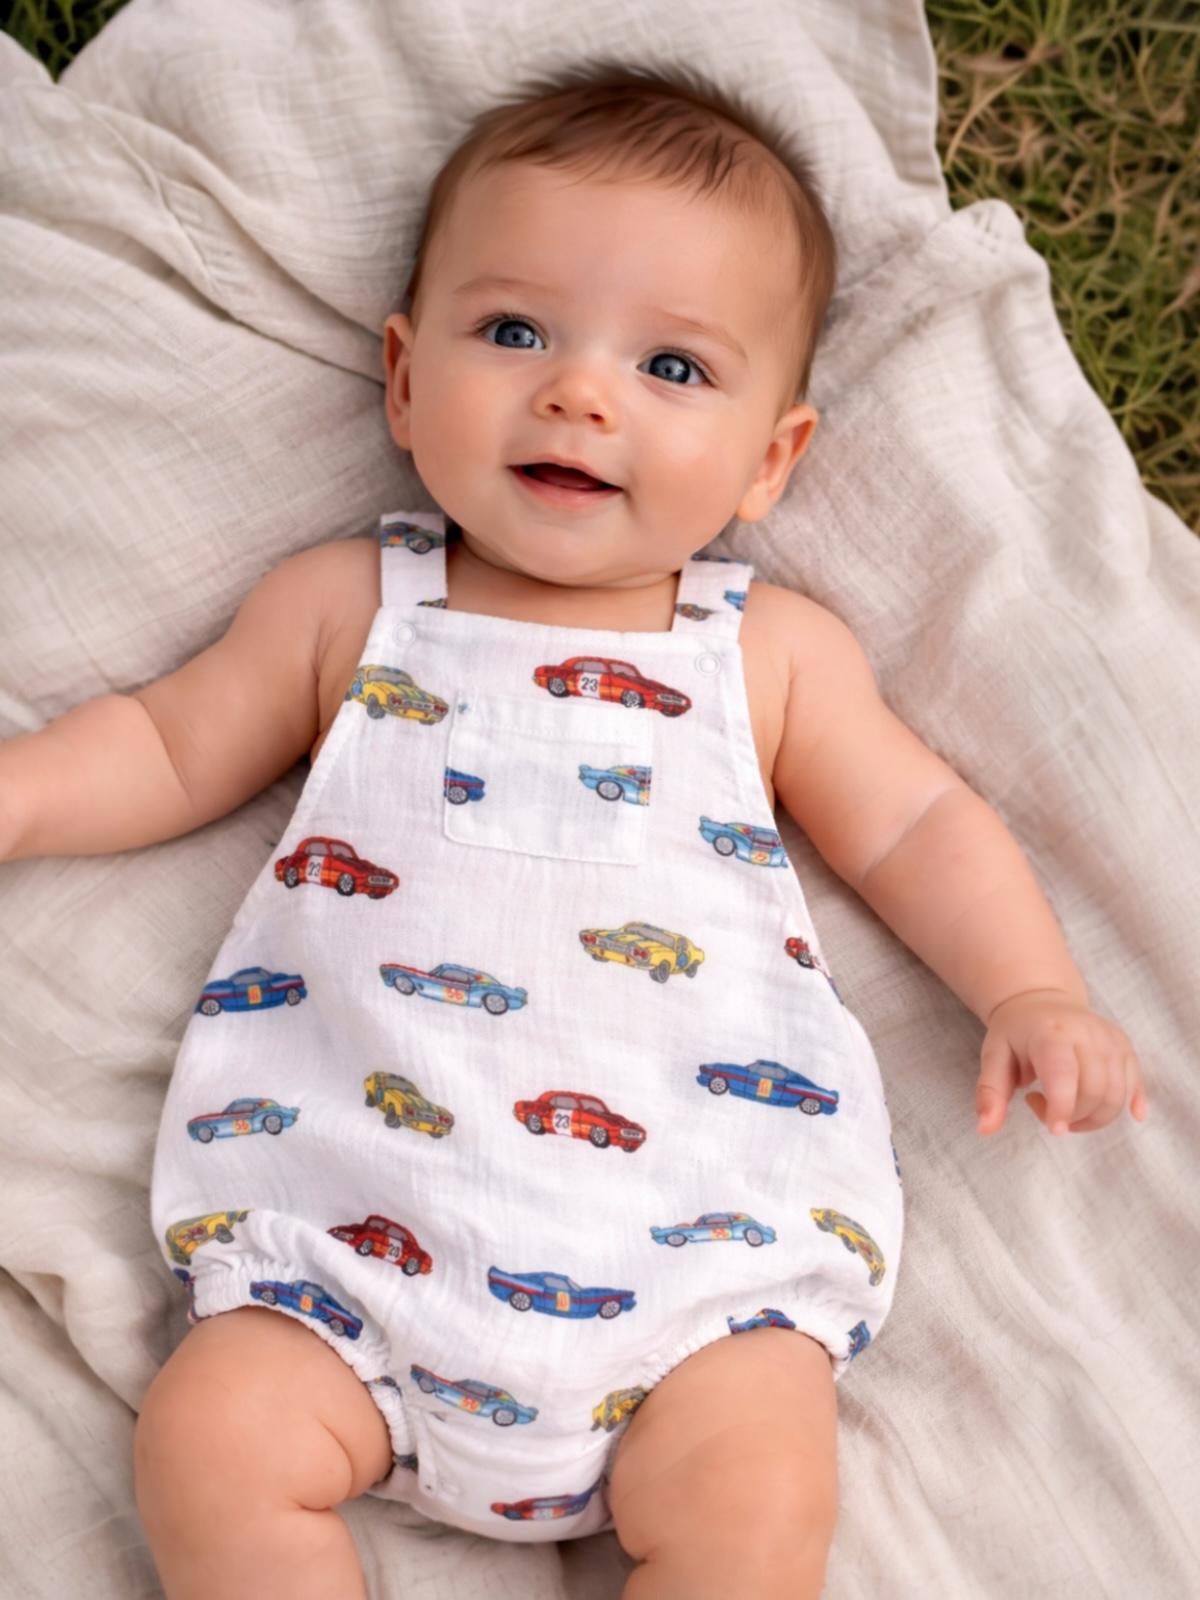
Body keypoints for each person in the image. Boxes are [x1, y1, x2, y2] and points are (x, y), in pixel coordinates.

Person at [0, 66, 1144, 1600]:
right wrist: (21, 798)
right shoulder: (354, 606)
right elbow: (162, 739)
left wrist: (1031, 988)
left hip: (695, 1288)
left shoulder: (765, 652)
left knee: (754, 1507)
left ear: (770, 460)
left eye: (673, 367)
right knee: (211, 1443)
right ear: (405, 380)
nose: (580, 394)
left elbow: (923, 822)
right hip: (345, 1258)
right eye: (515, 333)